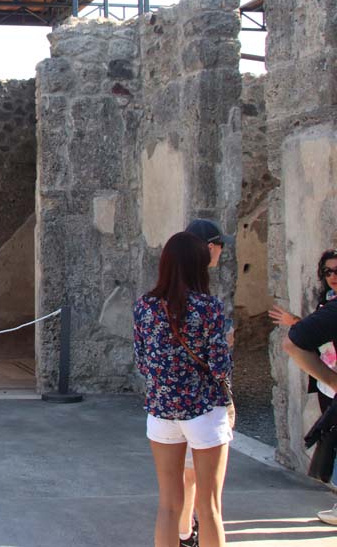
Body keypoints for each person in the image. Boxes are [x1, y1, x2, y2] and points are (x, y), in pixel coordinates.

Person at [134, 232, 233, 547]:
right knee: (209, 507)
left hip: (162, 412)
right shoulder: (208, 307)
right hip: (204, 410)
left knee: (168, 505)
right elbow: (219, 366)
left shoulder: (144, 307)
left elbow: (143, 362)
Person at [178, 219, 236, 546]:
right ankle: (192, 533)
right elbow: (218, 365)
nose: (222, 251)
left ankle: (185, 533)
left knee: (185, 481)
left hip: (169, 406)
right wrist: (223, 343)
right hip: (204, 403)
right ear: (208, 248)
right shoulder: (205, 300)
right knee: (209, 498)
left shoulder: (156, 300)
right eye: (219, 245)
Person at [273, 249, 337, 526]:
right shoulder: (328, 302)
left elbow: (296, 341)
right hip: (329, 383)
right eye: (328, 272)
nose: (333, 277)